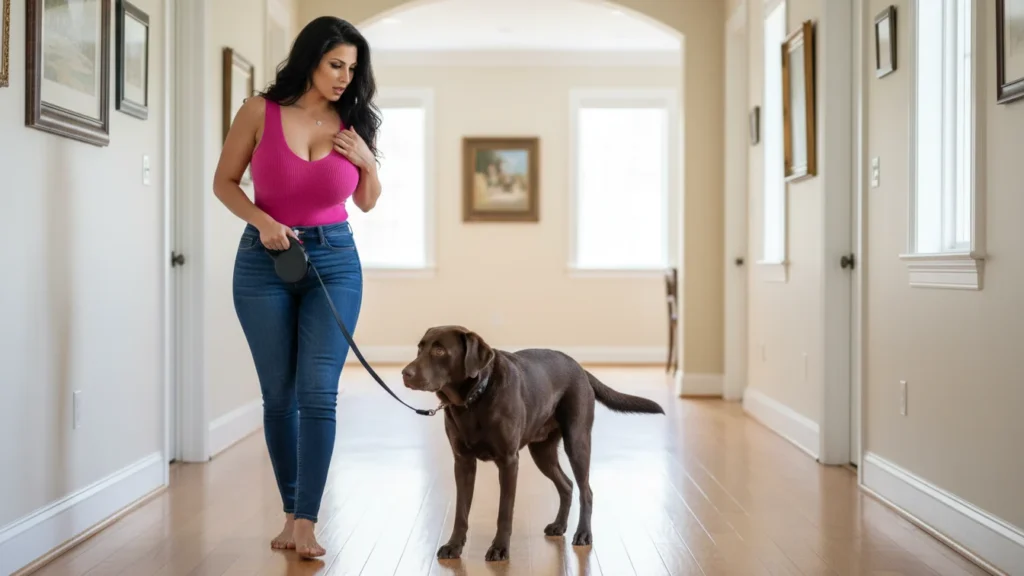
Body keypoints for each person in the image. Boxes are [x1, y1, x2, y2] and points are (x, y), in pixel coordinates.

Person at [212, 16, 382, 558]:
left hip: (335, 261)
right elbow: (224, 182)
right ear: (310, 59)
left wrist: (369, 165)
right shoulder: (258, 111)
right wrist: (263, 221)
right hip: (264, 261)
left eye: (352, 69)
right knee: (280, 396)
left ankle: (306, 521)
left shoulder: (353, 121)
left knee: (317, 391)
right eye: (336, 64)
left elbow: (366, 202)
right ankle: (290, 513)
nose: (344, 77)